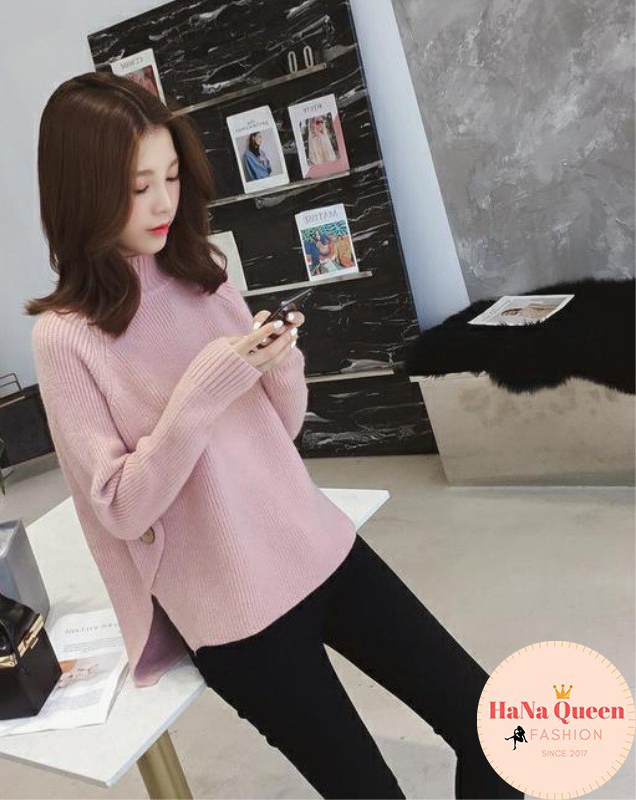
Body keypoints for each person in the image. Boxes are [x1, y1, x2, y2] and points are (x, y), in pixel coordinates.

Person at [26, 71, 524, 800]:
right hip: (235, 614)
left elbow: (276, 434)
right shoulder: (67, 339)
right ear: (81, 192)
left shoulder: (202, 273)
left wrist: (280, 362)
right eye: (138, 187)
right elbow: (121, 509)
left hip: (314, 543)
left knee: (493, 723)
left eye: (172, 176)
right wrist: (200, 392)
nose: (164, 203)